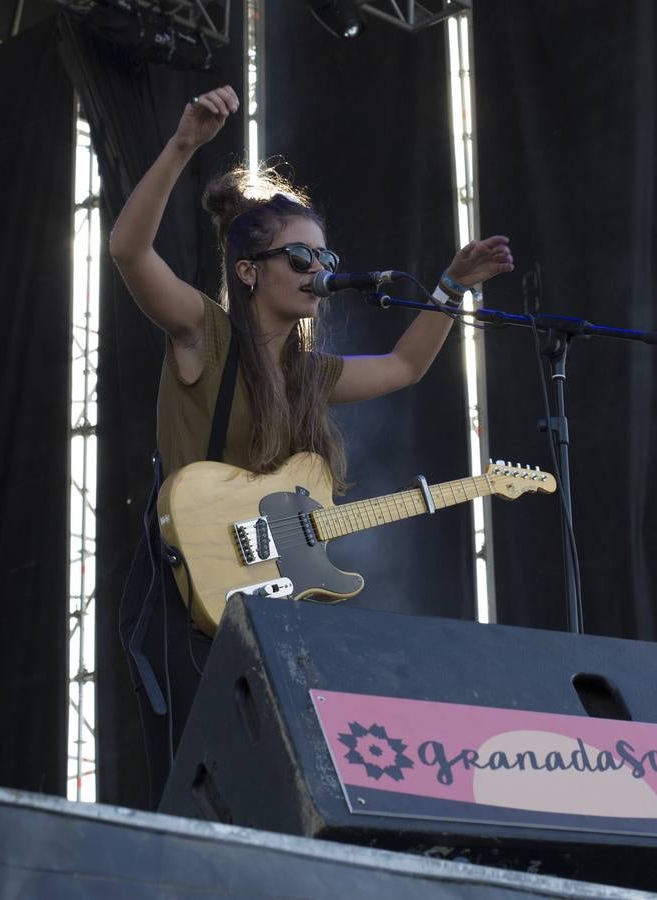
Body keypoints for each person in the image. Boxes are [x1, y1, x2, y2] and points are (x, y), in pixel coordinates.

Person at [108, 84, 513, 805]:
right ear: (247, 271)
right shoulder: (205, 331)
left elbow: (404, 366)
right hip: (183, 589)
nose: (317, 273)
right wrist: (181, 148)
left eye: (324, 260)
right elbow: (128, 250)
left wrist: (451, 287)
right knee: (205, 784)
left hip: (266, 597)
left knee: (286, 784)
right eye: (299, 258)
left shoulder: (305, 374)